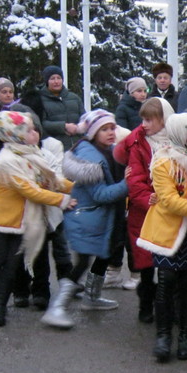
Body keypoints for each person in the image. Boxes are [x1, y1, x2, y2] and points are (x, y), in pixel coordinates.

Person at [0, 111, 75, 327]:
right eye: (29, 130)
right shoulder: (6, 160)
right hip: (3, 220)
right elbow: (31, 190)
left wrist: (81, 188)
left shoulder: (33, 154)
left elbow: (53, 180)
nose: (35, 133)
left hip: (24, 220)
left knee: (11, 263)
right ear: (14, 135)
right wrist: (63, 200)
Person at [137, 113, 187, 361]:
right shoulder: (164, 163)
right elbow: (169, 201)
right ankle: (163, 335)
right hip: (168, 232)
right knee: (166, 281)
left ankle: (186, 335)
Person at [42, 110, 127, 328]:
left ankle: (91, 297)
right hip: (88, 217)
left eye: (112, 128)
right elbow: (101, 194)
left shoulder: (107, 151)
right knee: (82, 262)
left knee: (103, 256)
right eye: (104, 129)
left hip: (102, 217)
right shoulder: (91, 158)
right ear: (92, 133)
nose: (110, 133)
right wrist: (129, 183)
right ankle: (57, 307)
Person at [118, 97, 175, 323]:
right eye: (143, 119)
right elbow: (135, 178)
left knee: (168, 264)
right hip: (144, 212)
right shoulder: (138, 143)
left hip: (170, 211)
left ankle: (168, 306)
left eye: (150, 119)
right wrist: (147, 199)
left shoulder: (176, 140)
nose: (144, 124)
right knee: (147, 265)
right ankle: (146, 304)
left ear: (164, 120)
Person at [38, 66, 85, 151]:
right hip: (55, 148)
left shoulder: (74, 98)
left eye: (58, 78)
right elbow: (42, 123)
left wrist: (78, 128)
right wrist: (64, 126)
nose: (56, 81)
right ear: (47, 81)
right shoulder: (39, 100)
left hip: (78, 145)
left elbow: (84, 118)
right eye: (52, 78)